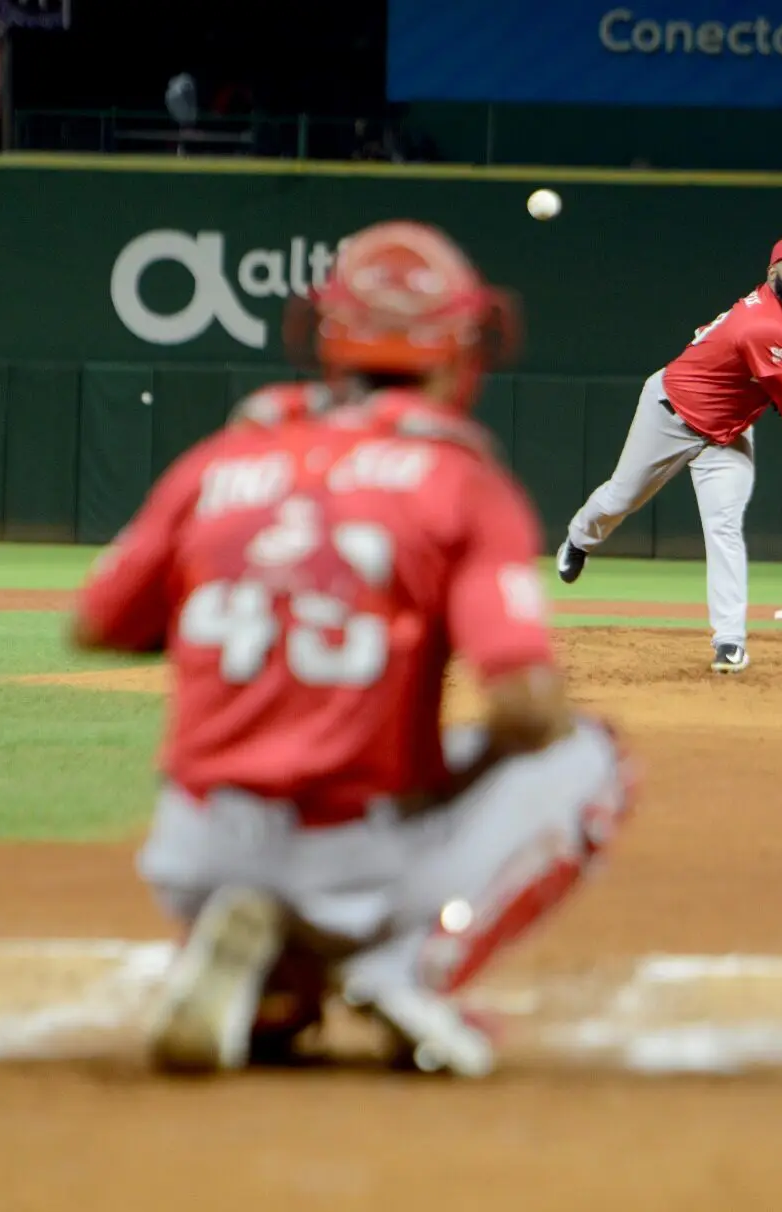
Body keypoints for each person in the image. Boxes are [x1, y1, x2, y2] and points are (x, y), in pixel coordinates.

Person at [70, 219, 638, 1079]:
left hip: (194, 844)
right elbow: (524, 708)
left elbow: (99, 621)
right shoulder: (459, 476)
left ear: (327, 338)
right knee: (591, 757)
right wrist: (449, 770)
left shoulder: (226, 456)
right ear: (460, 346)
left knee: (284, 781)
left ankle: (264, 980)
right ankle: (407, 969)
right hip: (351, 853)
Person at [556, 233, 782, 673]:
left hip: (726, 437)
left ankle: (729, 640)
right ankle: (579, 538)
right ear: (772, 273)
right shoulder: (762, 324)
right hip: (670, 417)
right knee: (621, 498)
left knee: (724, 528)